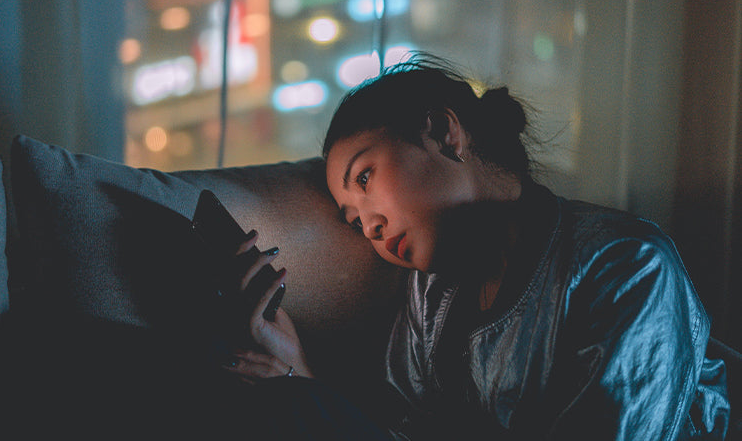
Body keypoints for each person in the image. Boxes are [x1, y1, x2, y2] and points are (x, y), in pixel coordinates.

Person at [224, 54, 731, 440]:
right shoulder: (429, 297)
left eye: (365, 177)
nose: (371, 228)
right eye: (354, 221)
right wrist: (299, 373)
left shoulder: (626, 264)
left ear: (445, 133)